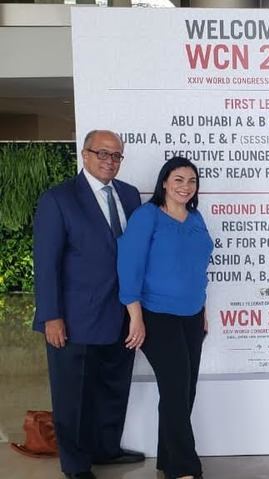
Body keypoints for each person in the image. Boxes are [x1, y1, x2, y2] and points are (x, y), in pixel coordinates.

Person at [33, 130, 144, 479]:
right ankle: (76, 464)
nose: (110, 161)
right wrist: (52, 316)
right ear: (85, 154)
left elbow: (133, 254)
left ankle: (105, 449)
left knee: (113, 388)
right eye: (102, 154)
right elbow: (46, 263)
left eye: (116, 156)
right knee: (74, 397)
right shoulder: (59, 199)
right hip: (75, 319)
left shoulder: (128, 195)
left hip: (121, 314)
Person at [117, 156, 213, 479]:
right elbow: (129, 267)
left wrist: (204, 309)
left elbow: (198, 268)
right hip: (157, 316)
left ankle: (168, 459)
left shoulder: (196, 217)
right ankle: (185, 468)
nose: (186, 187)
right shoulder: (147, 217)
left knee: (185, 391)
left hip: (192, 316)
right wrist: (135, 317)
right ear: (164, 183)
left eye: (192, 181)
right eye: (178, 180)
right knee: (175, 389)